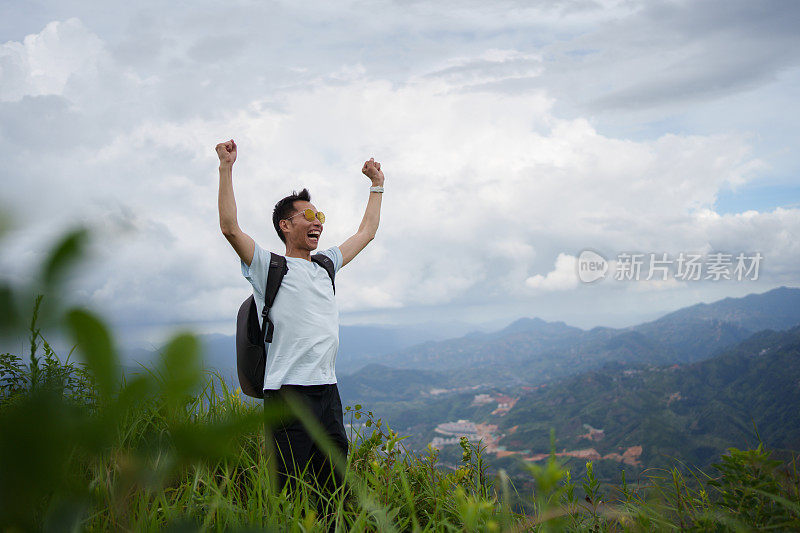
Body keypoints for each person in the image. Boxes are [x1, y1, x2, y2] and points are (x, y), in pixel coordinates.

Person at [215, 138, 384, 505]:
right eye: (308, 216)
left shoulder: (326, 265)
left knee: (335, 490)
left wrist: (376, 185)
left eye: (319, 217)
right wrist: (226, 168)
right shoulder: (268, 266)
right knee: (289, 492)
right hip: (288, 394)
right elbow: (230, 228)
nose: (317, 223)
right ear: (285, 226)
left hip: (328, 391)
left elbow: (366, 232)